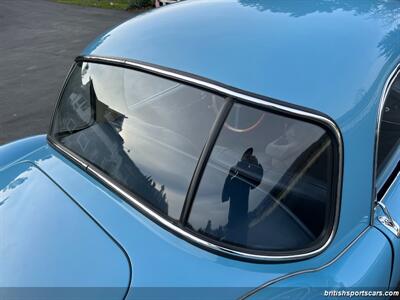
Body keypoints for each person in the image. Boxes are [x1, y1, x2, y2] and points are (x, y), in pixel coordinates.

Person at [222, 147, 263, 245]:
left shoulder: (248, 176)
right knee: (234, 229)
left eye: (250, 158)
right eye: (246, 157)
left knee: (240, 232)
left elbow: (255, 185)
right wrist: (236, 169)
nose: (248, 160)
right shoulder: (235, 172)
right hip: (233, 215)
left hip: (242, 214)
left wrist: (257, 167)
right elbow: (225, 195)